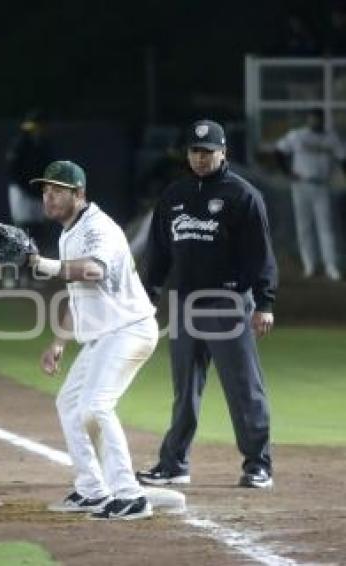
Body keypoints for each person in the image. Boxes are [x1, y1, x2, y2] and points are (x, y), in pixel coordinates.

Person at [137, 119, 278, 489]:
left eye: (208, 151)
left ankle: (258, 464)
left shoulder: (243, 195)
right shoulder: (174, 195)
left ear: (223, 153)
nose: (200, 158)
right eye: (195, 151)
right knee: (185, 388)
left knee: (243, 386)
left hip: (228, 302)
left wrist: (264, 301)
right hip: (184, 304)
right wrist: (147, 293)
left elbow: (260, 254)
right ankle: (174, 463)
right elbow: (159, 252)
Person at [27, 160, 159, 520]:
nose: (49, 197)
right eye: (45, 190)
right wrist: (58, 342)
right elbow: (79, 293)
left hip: (129, 329)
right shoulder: (70, 231)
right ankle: (92, 489)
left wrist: (45, 264)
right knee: (69, 404)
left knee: (96, 406)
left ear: (79, 193)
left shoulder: (100, 228)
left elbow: (94, 270)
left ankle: (131, 496)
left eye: (58, 190)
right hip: (104, 335)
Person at [275, 108, 346, 281]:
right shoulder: (298, 135)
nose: (314, 121)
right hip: (301, 185)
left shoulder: (331, 138)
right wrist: (287, 171)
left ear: (322, 120)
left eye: (317, 118)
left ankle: (331, 266)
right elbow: (279, 151)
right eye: (312, 118)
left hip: (321, 185)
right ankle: (310, 265)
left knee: (325, 227)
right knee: (304, 227)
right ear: (308, 119)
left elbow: (343, 159)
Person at [5, 109, 55, 286]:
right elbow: (14, 172)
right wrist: (29, 188)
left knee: (38, 232)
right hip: (21, 192)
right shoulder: (20, 144)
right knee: (22, 232)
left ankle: (32, 274)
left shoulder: (44, 145)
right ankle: (15, 274)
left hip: (38, 192)